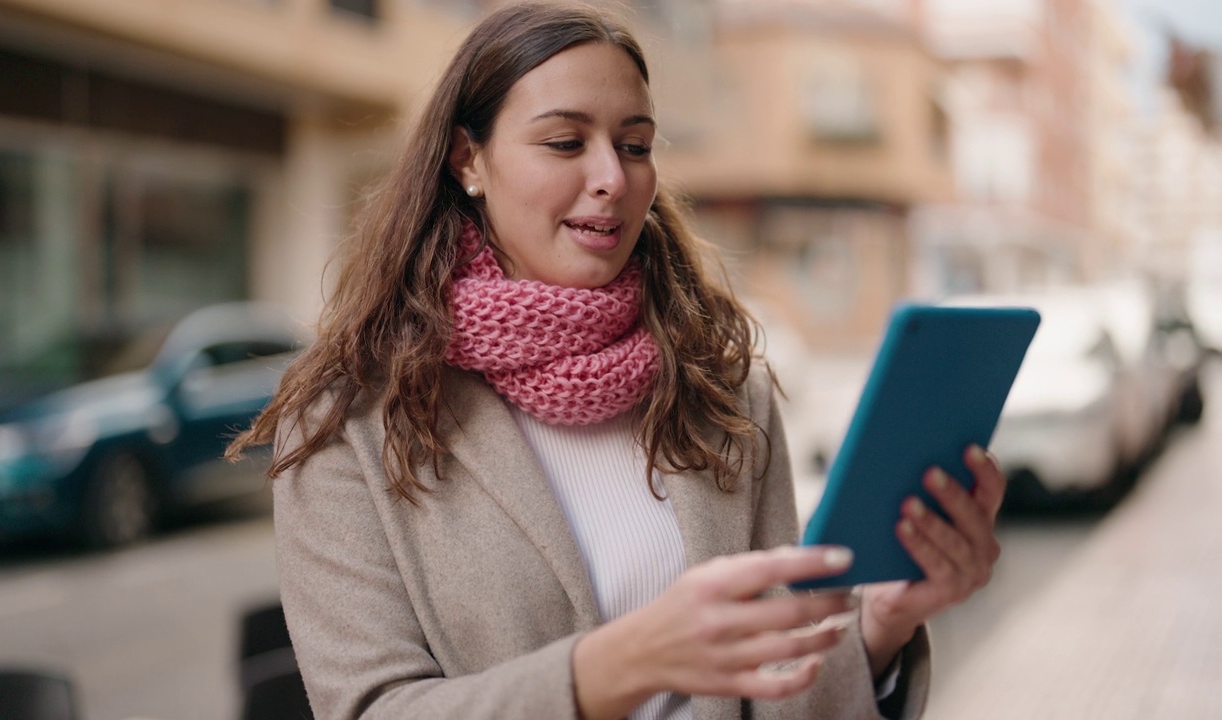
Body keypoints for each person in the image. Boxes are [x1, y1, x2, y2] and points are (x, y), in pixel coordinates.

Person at [227, 3, 1006, 719]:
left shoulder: (723, 393)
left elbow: (772, 686)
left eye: (634, 145)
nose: (611, 177)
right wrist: (615, 666)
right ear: (469, 159)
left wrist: (880, 626)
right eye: (566, 142)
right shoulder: (347, 426)